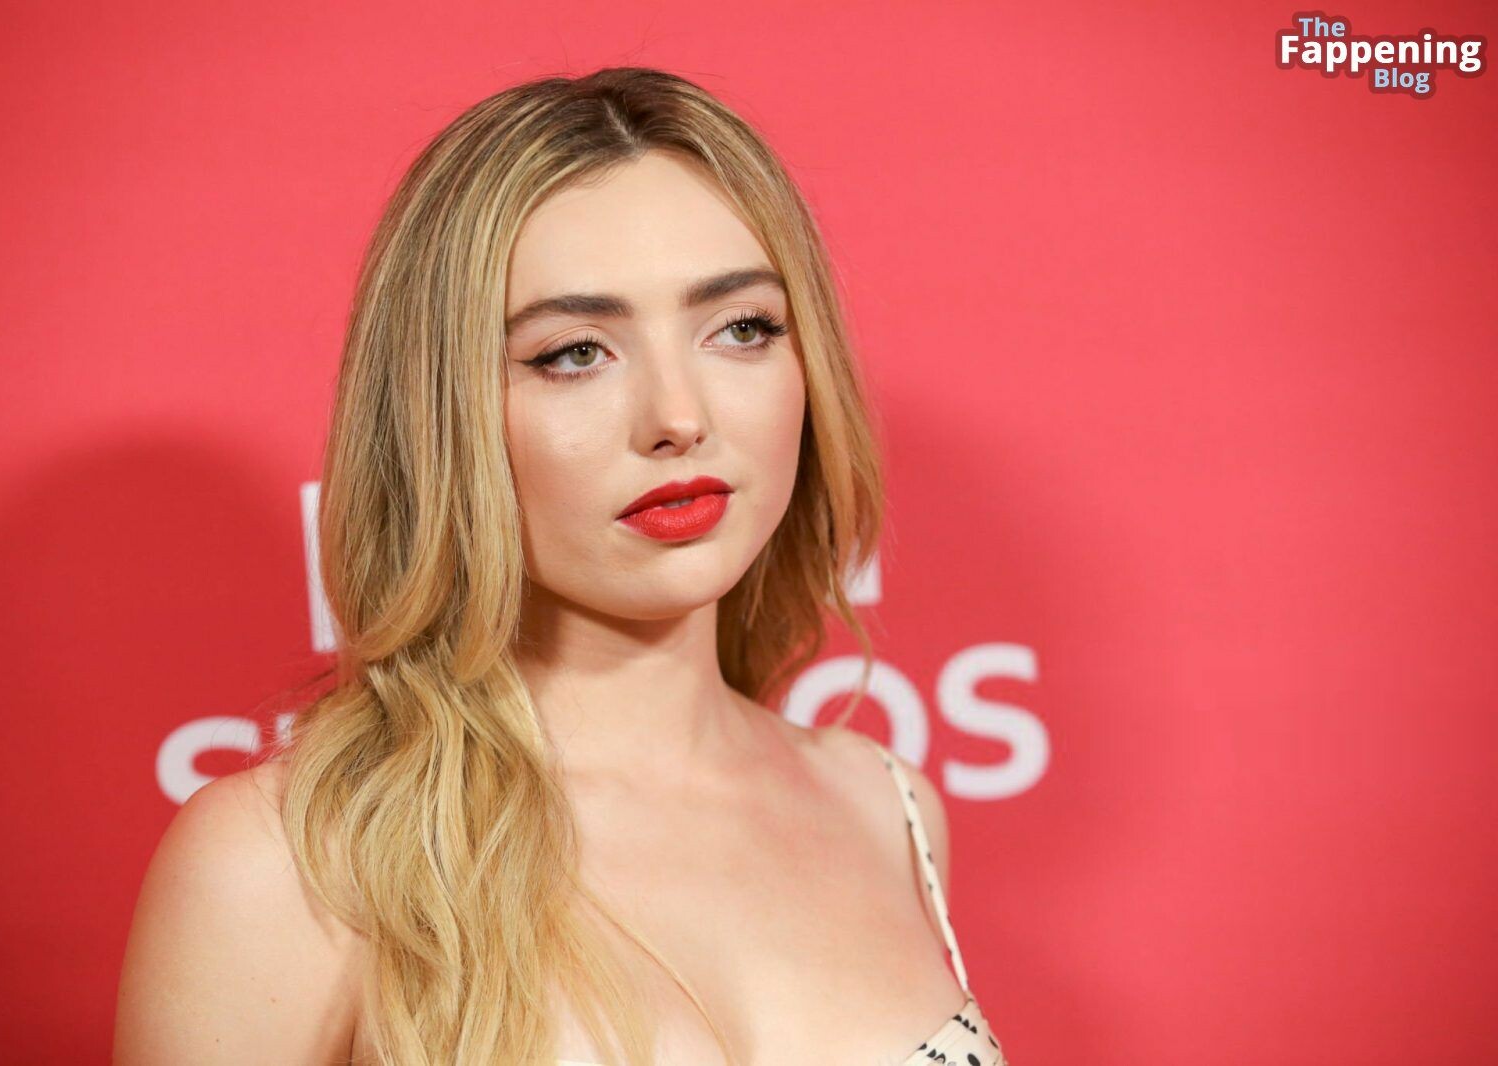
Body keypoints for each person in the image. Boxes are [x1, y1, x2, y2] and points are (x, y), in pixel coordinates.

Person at [113, 66, 1008, 1066]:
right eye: (576, 352)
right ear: (443, 411)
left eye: (741, 328)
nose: (678, 416)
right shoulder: (283, 864)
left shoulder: (884, 807)